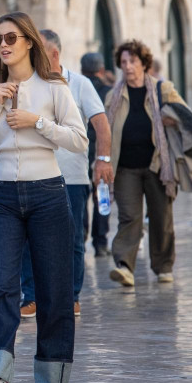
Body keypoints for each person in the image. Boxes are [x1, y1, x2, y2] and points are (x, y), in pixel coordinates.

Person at [0, 11, 87, 383]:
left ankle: (51, 376)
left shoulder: (53, 87)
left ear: (29, 42)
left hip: (48, 193)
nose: (3, 44)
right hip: (1, 196)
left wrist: (39, 123)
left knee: (53, 290)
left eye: (11, 38)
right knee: (3, 287)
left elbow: (78, 140)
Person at [20, 31, 113, 319]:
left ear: (54, 55)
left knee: (72, 238)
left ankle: (70, 296)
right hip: (33, 174)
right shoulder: (27, 83)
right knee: (29, 238)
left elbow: (100, 123)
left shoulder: (80, 84)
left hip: (71, 176)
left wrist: (102, 160)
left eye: (37, 52)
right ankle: (32, 296)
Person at [106, 39, 184, 287]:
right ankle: (124, 266)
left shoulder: (163, 90)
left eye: (133, 61)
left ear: (144, 63)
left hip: (157, 166)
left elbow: (185, 116)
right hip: (125, 167)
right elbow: (104, 131)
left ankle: (163, 266)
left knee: (162, 217)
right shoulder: (114, 95)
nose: (128, 67)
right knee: (129, 217)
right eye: (124, 62)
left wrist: (172, 119)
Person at [81, 52, 112, 256]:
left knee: (81, 195)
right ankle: (100, 242)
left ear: (83, 70)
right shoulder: (110, 92)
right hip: (103, 149)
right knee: (102, 194)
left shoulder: (78, 88)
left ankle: (81, 237)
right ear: (101, 70)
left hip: (82, 148)